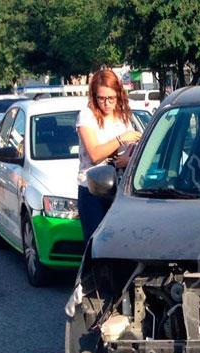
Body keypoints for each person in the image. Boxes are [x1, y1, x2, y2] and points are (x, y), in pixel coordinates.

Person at [76, 69, 142, 240]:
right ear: (94, 96)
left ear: (118, 95)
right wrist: (120, 139)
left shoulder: (123, 116)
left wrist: (129, 158)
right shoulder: (87, 116)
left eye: (111, 98)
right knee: (96, 242)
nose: (106, 103)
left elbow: (134, 145)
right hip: (92, 190)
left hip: (121, 187)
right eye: (101, 98)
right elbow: (94, 154)